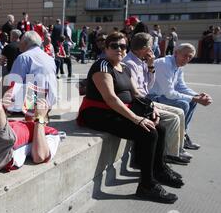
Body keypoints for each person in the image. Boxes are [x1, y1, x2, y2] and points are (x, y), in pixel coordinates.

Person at [77, 32, 182, 204]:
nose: (119, 49)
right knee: (149, 132)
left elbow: (135, 94)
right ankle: (146, 186)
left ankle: (158, 170)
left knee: (160, 127)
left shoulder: (123, 68)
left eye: (123, 46)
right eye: (114, 45)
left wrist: (150, 109)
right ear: (106, 48)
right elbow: (111, 98)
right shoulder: (102, 66)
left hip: (118, 110)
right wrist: (136, 119)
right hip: (98, 113)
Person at [123, 33, 192, 165]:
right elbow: (136, 93)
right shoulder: (130, 63)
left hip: (145, 99)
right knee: (173, 117)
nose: (153, 50)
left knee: (180, 112)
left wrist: (150, 66)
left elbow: (148, 86)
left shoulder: (141, 61)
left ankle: (177, 149)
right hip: (139, 103)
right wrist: (151, 106)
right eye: (151, 47)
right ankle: (170, 154)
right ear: (144, 48)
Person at [148, 43, 213, 150]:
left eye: (190, 57)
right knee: (183, 104)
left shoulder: (178, 65)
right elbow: (170, 93)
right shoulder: (165, 64)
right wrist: (194, 98)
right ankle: (176, 142)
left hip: (162, 96)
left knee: (192, 101)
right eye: (185, 55)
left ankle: (182, 135)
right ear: (176, 53)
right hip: (151, 97)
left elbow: (181, 87)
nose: (187, 59)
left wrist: (198, 96)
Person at [9, 31, 57, 112]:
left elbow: (14, 81)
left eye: (20, 41)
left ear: (25, 43)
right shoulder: (50, 58)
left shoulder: (23, 57)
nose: (19, 44)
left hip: (31, 104)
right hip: (49, 100)